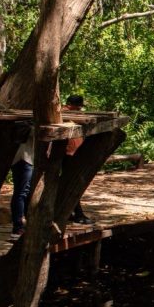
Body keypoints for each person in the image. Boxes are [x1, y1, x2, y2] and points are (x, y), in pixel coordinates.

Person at [63, 94, 92, 224]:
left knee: (71, 183)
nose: (80, 110)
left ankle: (71, 212)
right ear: (71, 105)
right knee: (73, 183)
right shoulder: (64, 114)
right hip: (68, 154)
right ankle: (78, 214)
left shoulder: (72, 115)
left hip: (73, 154)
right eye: (78, 107)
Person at [9, 129, 35, 241]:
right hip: (23, 159)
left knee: (25, 192)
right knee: (21, 193)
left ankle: (23, 225)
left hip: (26, 159)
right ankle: (17, 227)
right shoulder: (25, 125)